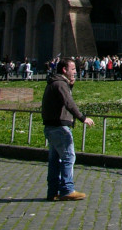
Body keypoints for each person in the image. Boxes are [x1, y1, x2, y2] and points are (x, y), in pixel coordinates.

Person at [41, 58, 94, 201]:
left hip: (51, 126)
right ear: (64, 70)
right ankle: (67, 189)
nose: (76, 72)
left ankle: (53, 192)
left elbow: (63, 99)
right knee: (69, 157)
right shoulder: (60, 83)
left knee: (54, 160)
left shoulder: (56, 82)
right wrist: (82, 118)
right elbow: (68, 102)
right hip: (59, 127)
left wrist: (70, 86)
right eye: (73, 69)